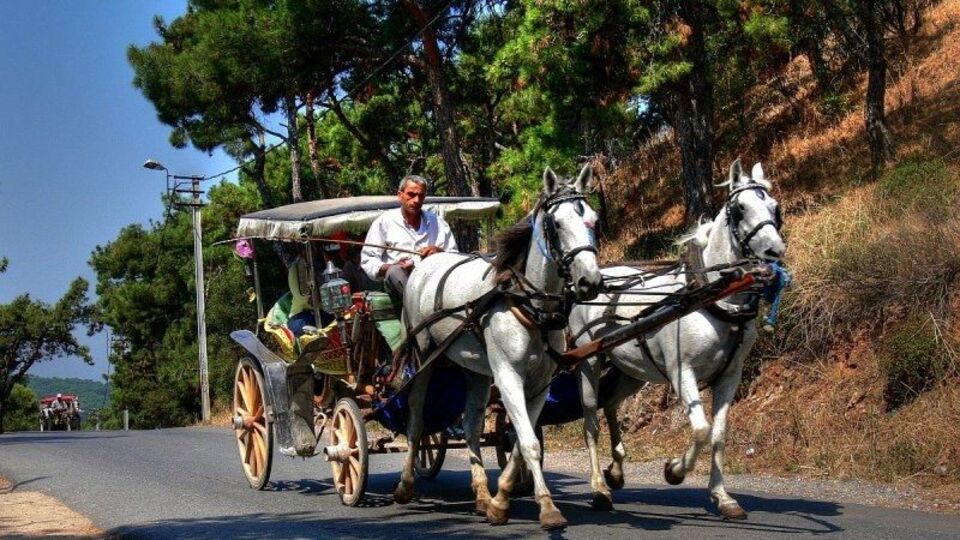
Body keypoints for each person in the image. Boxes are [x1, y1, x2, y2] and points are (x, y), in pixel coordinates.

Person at [360, 175, 458, 305]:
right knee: (395, 272)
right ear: (400, 195)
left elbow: (454, 256)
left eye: (421, 196)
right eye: (411, 194)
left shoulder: (438, 222)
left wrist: (439, 253)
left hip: (433, 282)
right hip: (398, 286)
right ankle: (418, 310)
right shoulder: (385, 222)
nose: (416, 200)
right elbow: (368, 260)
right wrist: (391, 267)